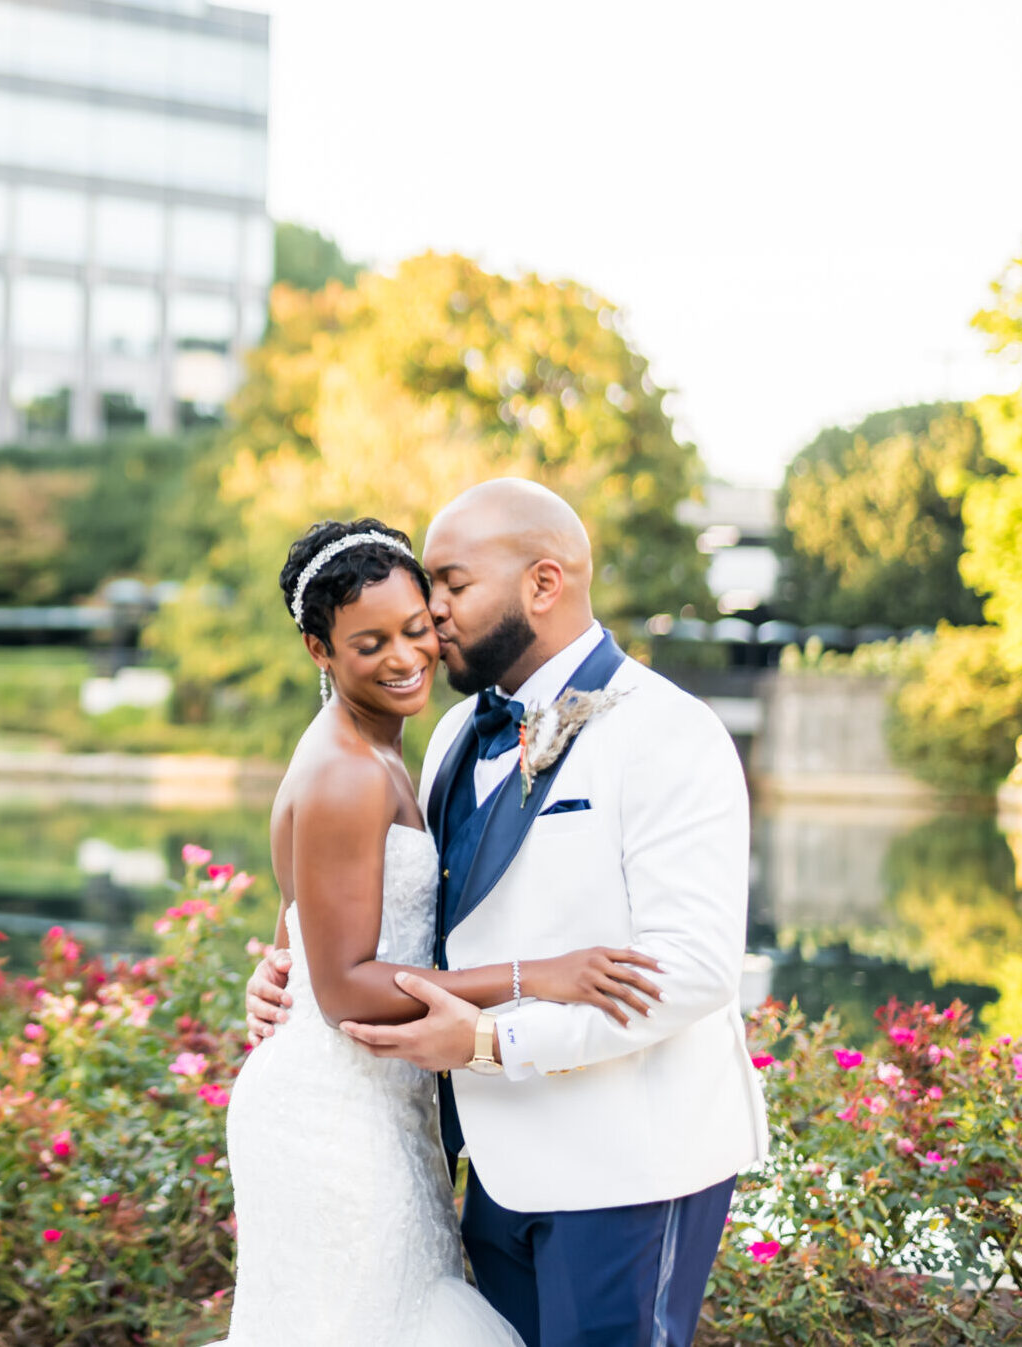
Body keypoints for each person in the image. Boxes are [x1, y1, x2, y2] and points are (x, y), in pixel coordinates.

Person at [247, 481, 769, 1347]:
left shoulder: (672, 732)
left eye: (450, 584)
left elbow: (696, 972)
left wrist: (496, 1042)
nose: (431, 609)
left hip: (626, 1168)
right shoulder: (451, 733)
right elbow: (388, 904)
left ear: (542, 583)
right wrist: (291, 963)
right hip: (488, 1167)